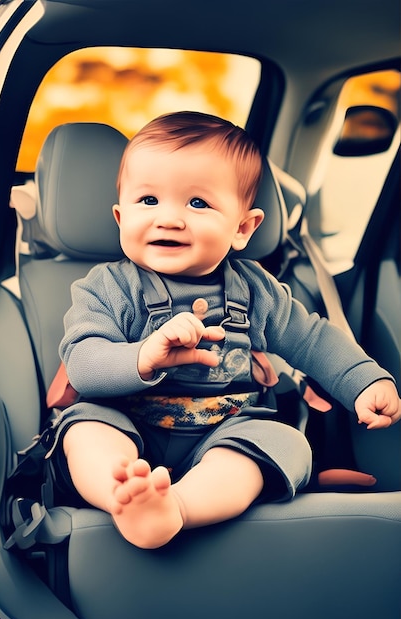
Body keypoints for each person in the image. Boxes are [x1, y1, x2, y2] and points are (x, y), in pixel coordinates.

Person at [48, 111, 401, 549]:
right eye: (148, 201)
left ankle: (176, 508)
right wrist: (142, 356)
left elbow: (312, 339)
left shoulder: (256, 290)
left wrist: (363, 381)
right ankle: (123, 494)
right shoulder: (109, 286)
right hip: (128, 424)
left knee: (280, 441)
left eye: (197, 203)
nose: (169, 219)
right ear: (120, 217)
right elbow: (82, 361)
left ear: (242, 228)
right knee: (84, 431)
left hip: (226, 428)